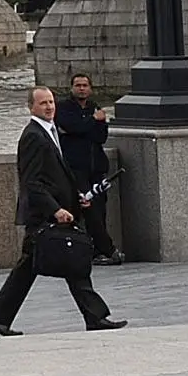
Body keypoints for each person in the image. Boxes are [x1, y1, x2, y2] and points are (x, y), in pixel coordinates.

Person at [0, 85, 126, 337]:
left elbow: (57, 175)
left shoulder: (48, 132)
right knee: (45, 267)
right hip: (44, 216)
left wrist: (76, 197)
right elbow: (32, 182)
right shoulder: (33, 136)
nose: (49, 107)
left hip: (55, 211)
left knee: (67, 266)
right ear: (31, 107)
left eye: (51, 102)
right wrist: (56, 209)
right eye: (43, 103)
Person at [56, 70, 122, 266]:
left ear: (90, 89)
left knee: (100, 210)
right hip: (76, 169)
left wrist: (91, 125)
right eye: (78, 85)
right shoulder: (64, 108)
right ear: (71, 88)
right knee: (88, 211)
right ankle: (107, 250)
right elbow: (73, 126)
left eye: (85, 85)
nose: (82, 88)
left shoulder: (94, 107)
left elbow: (100, 136)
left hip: (96, 168)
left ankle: (98, 251)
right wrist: (93, 121)